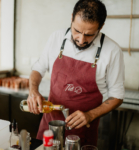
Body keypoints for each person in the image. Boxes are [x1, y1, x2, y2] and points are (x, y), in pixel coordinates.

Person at [27, 0, 125, 146]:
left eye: (89, 34)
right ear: (71, 18)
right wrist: (33, 90)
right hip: (49, 127)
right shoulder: (56, 37)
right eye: (77, 31)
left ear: (101, 26)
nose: (81, 39)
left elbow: (117, 96)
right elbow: (38, 68)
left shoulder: (112, 51)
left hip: (82, 134)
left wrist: (90, 115)